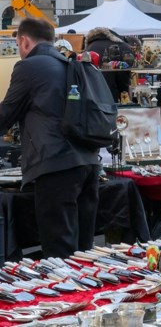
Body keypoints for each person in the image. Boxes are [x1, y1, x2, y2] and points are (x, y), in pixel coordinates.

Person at [0, 18, 101, 257]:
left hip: (56, 166)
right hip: (87, 162)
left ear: (24, 40)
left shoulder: (29, 66)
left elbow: (6, 114)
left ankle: (66, 297)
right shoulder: (67, 64)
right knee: (83, 252)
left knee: (60, 254)